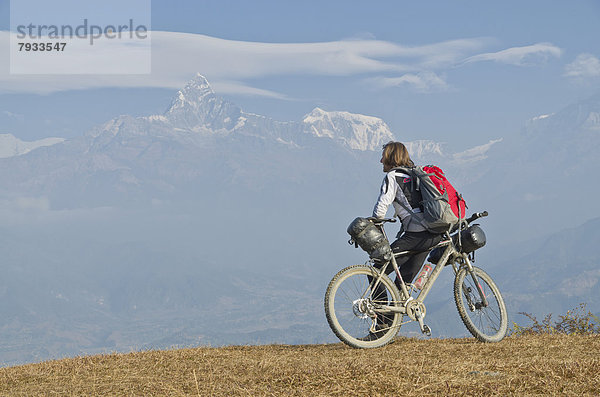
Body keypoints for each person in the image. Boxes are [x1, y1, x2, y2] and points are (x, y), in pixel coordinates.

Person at [372, 141, 443, 300]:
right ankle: (392, 321)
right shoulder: (415, 174)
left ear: (391, 157)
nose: (381, 161)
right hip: (433, 235)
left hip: (416, 235)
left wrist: (373, 223)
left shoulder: (393, 176)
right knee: (401, 285)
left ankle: (382, 319)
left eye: (383, 156)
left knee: (377, 270)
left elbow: (381, 207)